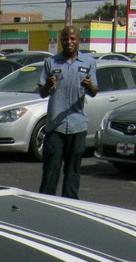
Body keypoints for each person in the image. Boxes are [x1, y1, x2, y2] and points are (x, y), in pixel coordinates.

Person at [37, 26, 98, 199]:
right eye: (65, 39)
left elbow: (94, 91)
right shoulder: (51, 63)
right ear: (61, 41)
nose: (69, 42)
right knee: (51, 169)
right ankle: (46, 202)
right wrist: (49, 84)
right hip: (55, 126)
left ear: (79, 40)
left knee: (73, 169)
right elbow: (42, 92)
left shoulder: (88, 63)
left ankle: (70, 202)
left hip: (77, 125)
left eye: (72, 39)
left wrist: (88, 85)